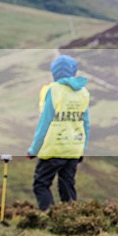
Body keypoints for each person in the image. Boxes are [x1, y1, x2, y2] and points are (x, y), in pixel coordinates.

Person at [27, 54, 91, 211]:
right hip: (74, 149)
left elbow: (45, 123)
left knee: (41, 184)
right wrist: (82, 149)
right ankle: (72, 220)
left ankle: (50, 218)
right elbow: (86, 124)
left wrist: (34, 149)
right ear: (74, 71)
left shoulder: (52, 90)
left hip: (53, 148)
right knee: (67, 186)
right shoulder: (83, 93)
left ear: (54, 72)